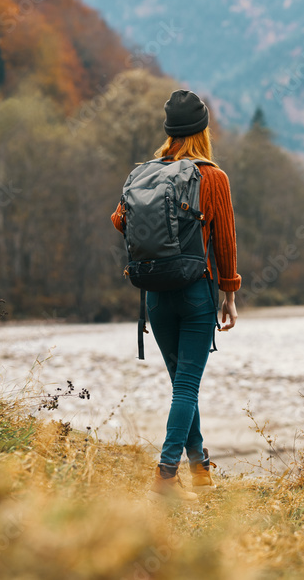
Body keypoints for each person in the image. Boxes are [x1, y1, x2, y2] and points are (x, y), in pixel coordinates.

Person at [111, 89, 241, 501]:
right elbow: (225, 243)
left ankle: (200, 469)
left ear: (169, 131)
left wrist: (156, 238)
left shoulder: (144, 173)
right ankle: (166, 476)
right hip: (195, 293)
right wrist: (230, 293)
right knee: (187, 387)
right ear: (203, 130)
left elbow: (119, 220)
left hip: (155, 295)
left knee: (182, 386)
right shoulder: (212, 177)